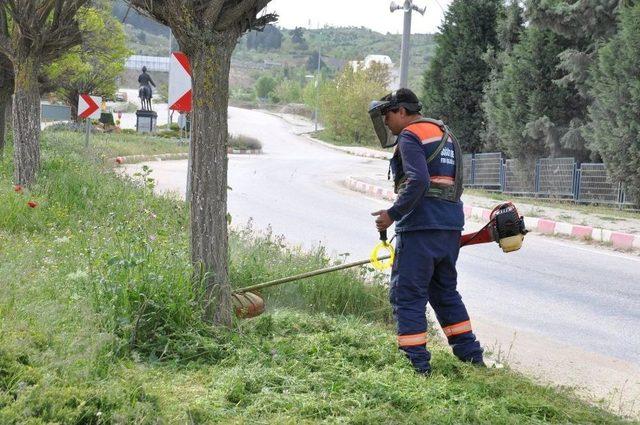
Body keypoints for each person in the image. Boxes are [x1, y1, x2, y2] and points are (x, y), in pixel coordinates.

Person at [368, 88, 484, 375]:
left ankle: (416, 366)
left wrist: (391, 215)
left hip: (420, 228)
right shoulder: (445, 133)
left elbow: (418, 181)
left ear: (401, 111)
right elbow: (454, 185)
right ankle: (472, 358)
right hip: (449, 227)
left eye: (387, 116)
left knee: (407, 295)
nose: (386, 123)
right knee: (444, 292)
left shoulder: (410, 135)